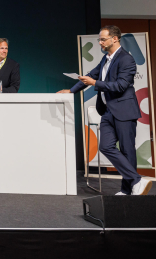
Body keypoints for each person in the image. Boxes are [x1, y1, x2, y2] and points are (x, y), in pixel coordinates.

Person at [58, 25, 152, 195]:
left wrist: (95, 83)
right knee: (106, 146)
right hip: (108, 111)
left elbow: (121, 85)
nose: (100, 42)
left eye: (103, 39)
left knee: (127, 150)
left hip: (124, 110)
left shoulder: (126, 59)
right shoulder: (106, 59)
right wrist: (71, 90)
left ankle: (127, 190)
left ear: (114, 39)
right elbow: (91, 75)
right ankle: (136, 180)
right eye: (99, 39)